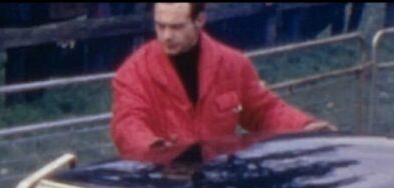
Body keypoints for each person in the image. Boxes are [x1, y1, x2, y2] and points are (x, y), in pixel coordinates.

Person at [111, 3, 331, 160]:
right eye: (160, 26)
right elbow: (127, 125)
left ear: (199, 21)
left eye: (176, 27)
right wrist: (160, 152)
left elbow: (264, 111)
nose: (166, 36)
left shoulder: (232, 64)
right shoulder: (134, 72)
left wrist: (305, 127)